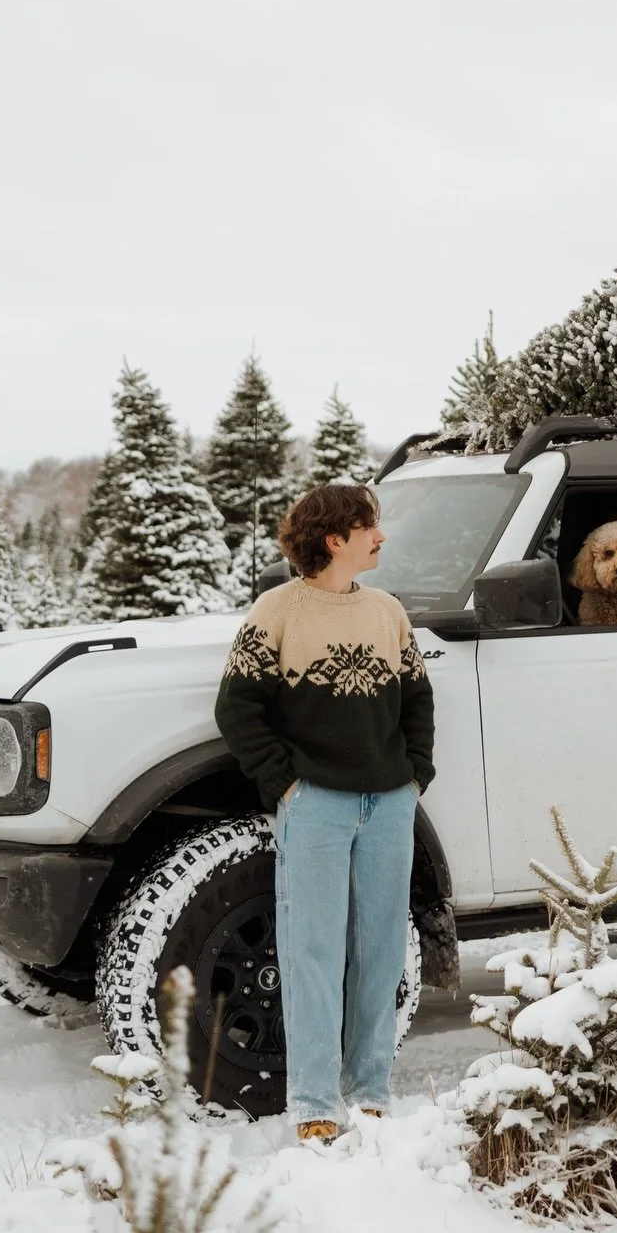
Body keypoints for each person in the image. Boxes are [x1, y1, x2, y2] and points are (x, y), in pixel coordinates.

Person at [214, 482, 435, 1142]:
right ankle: (313, 1103)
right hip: (315, 807)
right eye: (371, 526)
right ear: (336, 538)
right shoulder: (276, 612)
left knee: (382, 949)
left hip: (389, 804)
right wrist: (286, 786)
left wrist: (414, 776)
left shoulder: (389, 611)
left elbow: (418, 700)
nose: (381, 536)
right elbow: (237, 709)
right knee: (311, 950)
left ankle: (370, 1091)